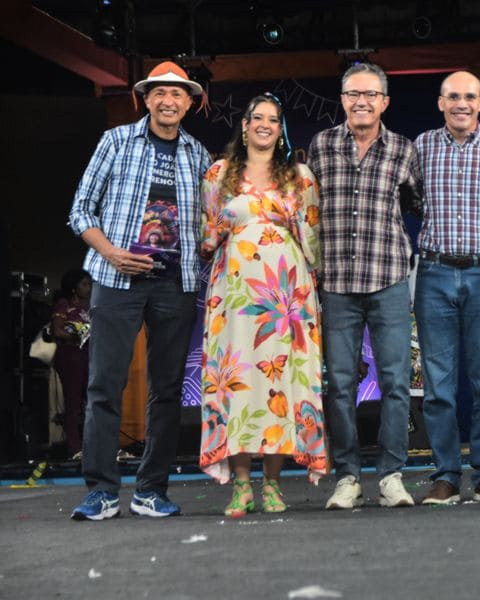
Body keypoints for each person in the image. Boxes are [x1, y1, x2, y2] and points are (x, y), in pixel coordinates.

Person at [68, 61, 211, 520]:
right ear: (146, 99)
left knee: (167, 390)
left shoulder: (199, 155)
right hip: (116, 280)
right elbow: (80, 211)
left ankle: (151, 489)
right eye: (160, 93)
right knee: (104, 386)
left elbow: (212, 225)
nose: (168, 101)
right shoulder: (116, 142)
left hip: (176, 285)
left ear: (190, 103)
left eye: (178, 94)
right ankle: (101, 491)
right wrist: (111, 253)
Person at [198, 94, 327, 517]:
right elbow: (209, 236)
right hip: (234, 295)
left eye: (273, 119)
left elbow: (311, 239)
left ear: (281, 128)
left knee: (282, 385)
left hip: (287, 298)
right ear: (245, 124)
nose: (265, 125)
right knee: (237, 383)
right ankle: (240, 486)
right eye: (258, 118)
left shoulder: (299, 176)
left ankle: (271, 483)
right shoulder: (219, 175)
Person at [307, 63, 421, 509]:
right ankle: (347, 476)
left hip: (389, 278)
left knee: (395, 381)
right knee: (339, 384)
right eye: (354, 93)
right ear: (342, 99)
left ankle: (391, 476)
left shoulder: (403, 150)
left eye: (371, 95)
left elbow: (417, 204)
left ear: (385, 102)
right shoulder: (321, 146)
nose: (362, 102)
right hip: (336, 281)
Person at [414, 71, 480, 505]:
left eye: (469, 97)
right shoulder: (420, 147)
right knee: (438, 385)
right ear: (440, 103)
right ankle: (446, 475)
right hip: (434, 274)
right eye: (453, 96)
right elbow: (411, 198)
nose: (461, 103)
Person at [51, 269, 92, 458]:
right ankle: (74, 448)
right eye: (84, 284)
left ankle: (91, 444)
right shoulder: (63, 304)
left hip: (84, 355)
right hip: (69, 355)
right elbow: (57, 331)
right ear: (74, 288)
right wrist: (77, 334)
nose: (88, 288)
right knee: (73, 401)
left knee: (89, 400)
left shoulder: (84, 308)